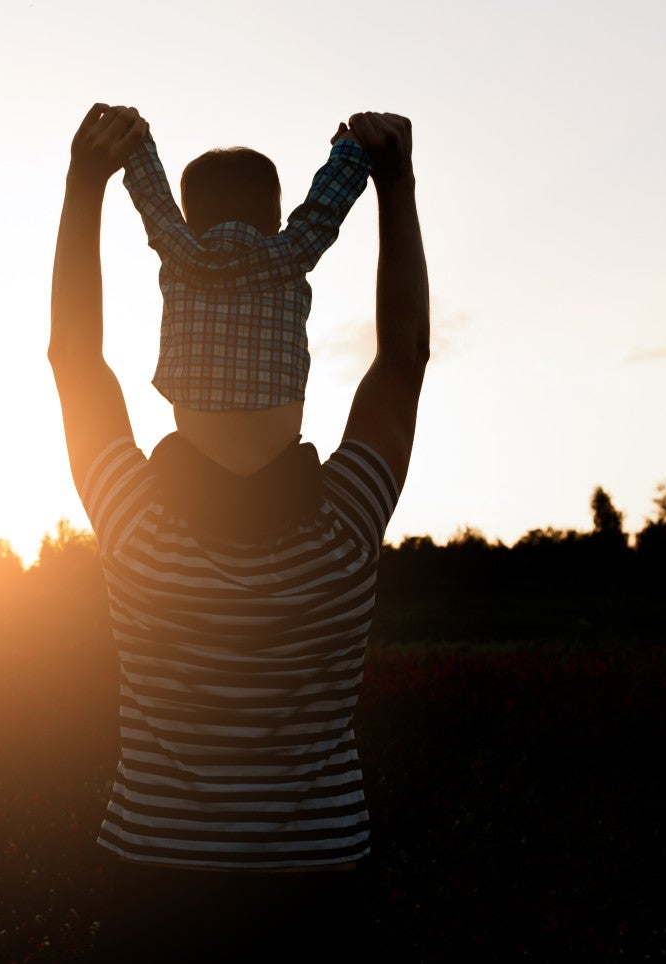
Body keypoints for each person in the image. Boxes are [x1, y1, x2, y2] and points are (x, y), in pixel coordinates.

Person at [48, 103, 430, 960]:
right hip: (315, 890)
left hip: (154, 885)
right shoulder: (345, 524)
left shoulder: (135, 522)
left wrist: (84, 188)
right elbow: (404, 357)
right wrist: (395, 188)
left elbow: (74, 356)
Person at [120, 121, 372, 475]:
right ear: (276, 217)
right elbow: (324, 209)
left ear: (190, 222)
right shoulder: (291, 253)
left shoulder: (180, 254)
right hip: (280, 466)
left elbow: (154, 198)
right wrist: (350, 150)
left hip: (195, 466)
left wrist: (135, 139)